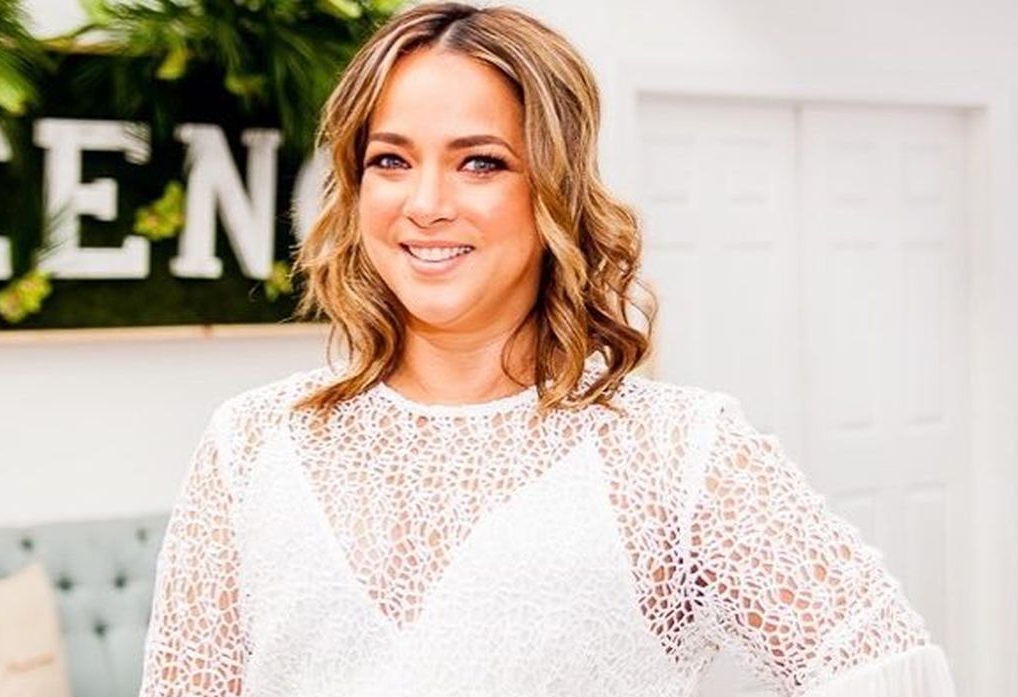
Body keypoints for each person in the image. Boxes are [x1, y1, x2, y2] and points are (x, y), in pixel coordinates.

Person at [139, 3, 957, 696]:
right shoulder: (253, 442)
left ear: (554, 189)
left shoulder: (677, 452)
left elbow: (891, 673)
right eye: (390, 159)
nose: (426, 203)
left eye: (480, 162)